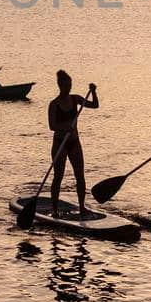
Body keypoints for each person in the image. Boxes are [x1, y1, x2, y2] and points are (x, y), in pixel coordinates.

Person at [48, 69, 99, 215]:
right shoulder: (53, 104)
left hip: (74, 142)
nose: (68, 88)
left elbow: (95, 105)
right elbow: (52, 125)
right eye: (66, 85)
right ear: (60, 85)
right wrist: (65, 127)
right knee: (58, 176)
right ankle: (55, 209)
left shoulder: (75, 99)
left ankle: (82, 206)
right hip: (60, 143)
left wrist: (93, 91)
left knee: (80, 175)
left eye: (70, 85)